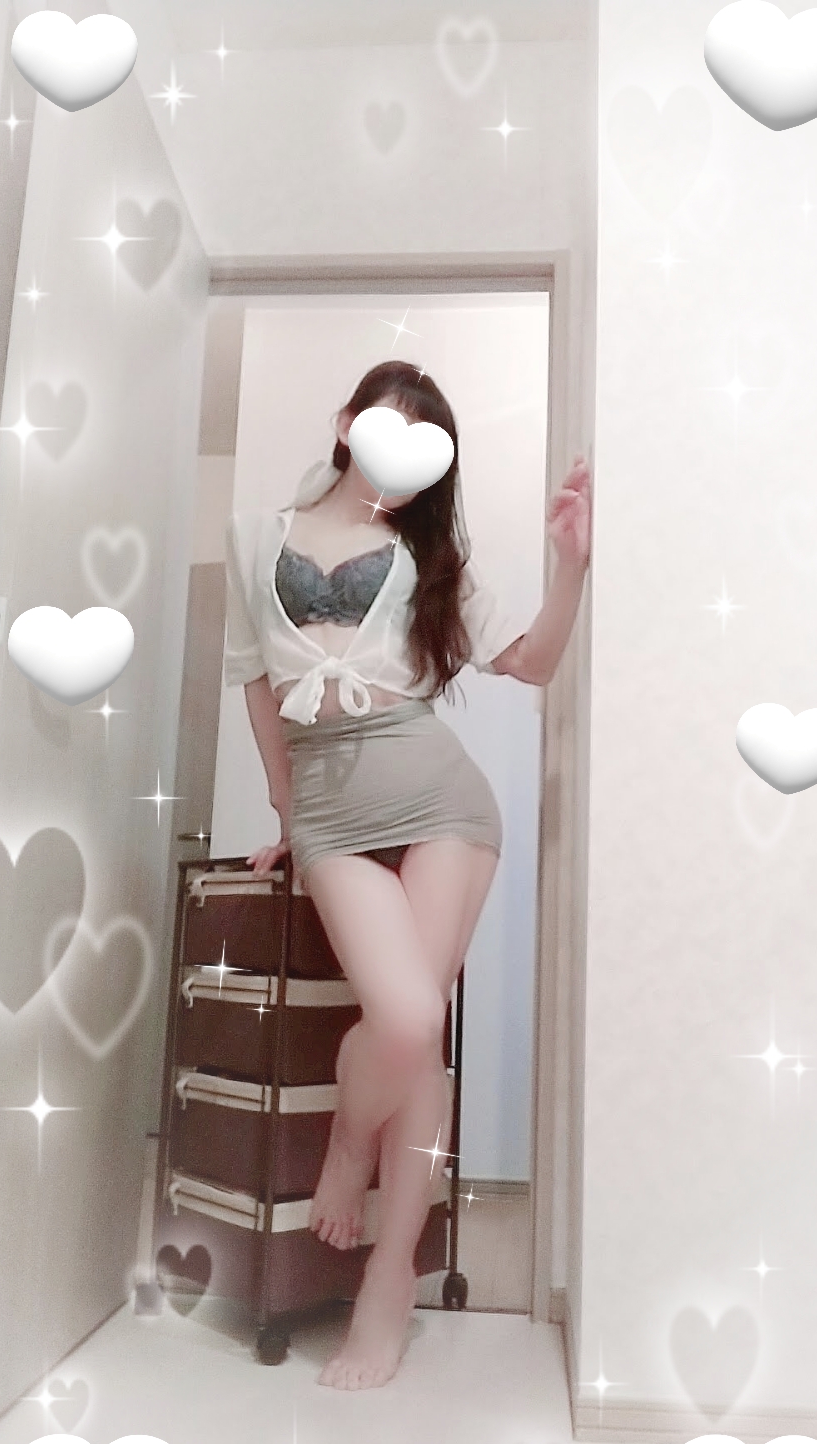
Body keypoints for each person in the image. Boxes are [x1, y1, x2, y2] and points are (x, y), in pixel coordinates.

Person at [223, 359, 591, 1390]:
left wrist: (569, 567)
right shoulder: (254, 536)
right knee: (406, 1019)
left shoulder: (428, 559)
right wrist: (289, 817)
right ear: (346, 421)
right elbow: (255, 686)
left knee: (416, 1032)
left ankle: (386, 1281)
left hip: (441, 800)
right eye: (386, 422)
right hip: (333, 810)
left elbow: (529, 662)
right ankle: (353, 1153)